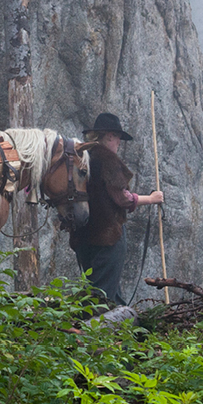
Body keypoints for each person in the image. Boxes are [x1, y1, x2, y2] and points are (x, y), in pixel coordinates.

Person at [69, 112, 164, 304]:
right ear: (109, 136)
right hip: (108, 235)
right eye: (118, 137)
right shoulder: (107, 159)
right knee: (102, 293)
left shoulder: (82, 158)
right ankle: (96, 329)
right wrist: (153, 198)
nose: (119, 142)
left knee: (98, 286)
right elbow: (123, 199)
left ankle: (119, 324)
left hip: (83, 236)